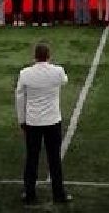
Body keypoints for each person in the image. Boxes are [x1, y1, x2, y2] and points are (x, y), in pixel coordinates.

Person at [14, 42, 71, 205]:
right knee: (54, 159)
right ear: (49, 56)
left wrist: (21, 121)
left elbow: (19, 98)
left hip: (33, 122)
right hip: (53, 121)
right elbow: (65, 80)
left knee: (32, 158)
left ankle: (30, 194)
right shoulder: (57, 72)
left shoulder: (25, 74)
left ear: (34, 56)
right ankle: (58, 194)